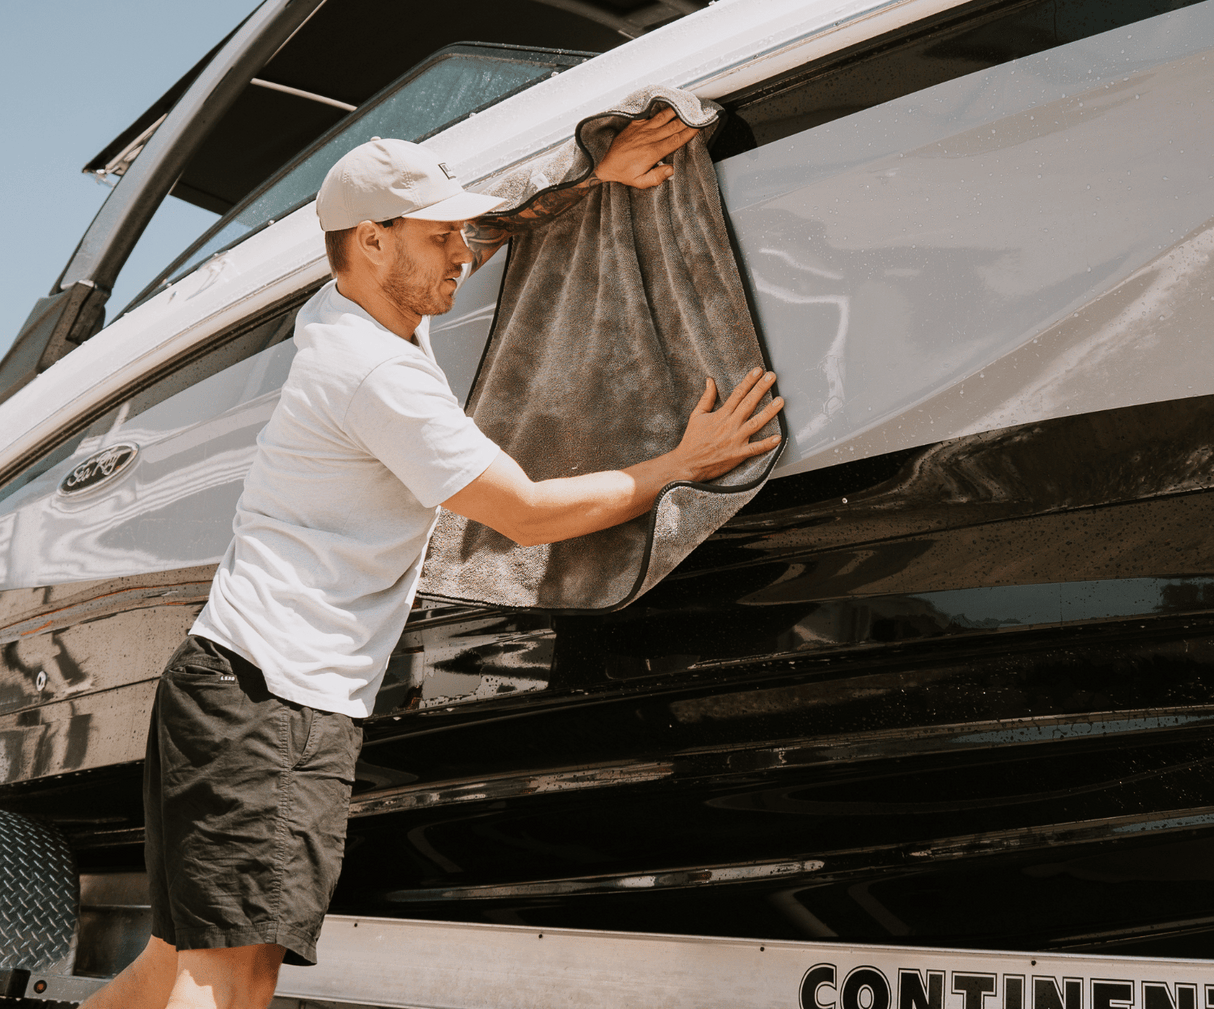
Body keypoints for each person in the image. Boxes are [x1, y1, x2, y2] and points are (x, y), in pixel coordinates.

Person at [81, 109, 783, 1009]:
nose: (461, 252)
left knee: (160, 972)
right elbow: (524, 514)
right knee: (228, 986)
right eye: (438, 234)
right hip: (272, 708)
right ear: (372, 241)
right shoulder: (375, 373)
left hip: (231, 690)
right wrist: (677, 467)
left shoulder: (347, 302)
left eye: (457, 231)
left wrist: (596, 172)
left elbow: (492, 231)